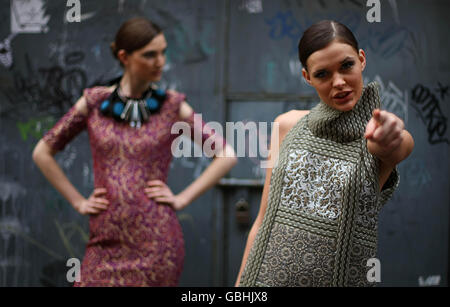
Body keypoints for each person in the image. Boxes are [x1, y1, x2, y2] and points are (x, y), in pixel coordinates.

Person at [32, 17, 237, 286]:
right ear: (124, 57)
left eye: (163, 52)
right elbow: (42, 152)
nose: (160, 61)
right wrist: (78, 201)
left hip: (157, 244)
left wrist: (182, 199)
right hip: (103, 242)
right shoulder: (94, 102)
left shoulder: (172, 107)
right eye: (150, 55)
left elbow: (226, 155)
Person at [236, 20, 414, 287]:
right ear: (307, 77)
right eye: (323, 74)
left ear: (361, 60)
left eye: (346, 66)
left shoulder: (375, 136)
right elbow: (263, 220)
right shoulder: (286, 125)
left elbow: (396, 146)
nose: (339, 82)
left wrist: (391, 134)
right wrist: (240, 286)